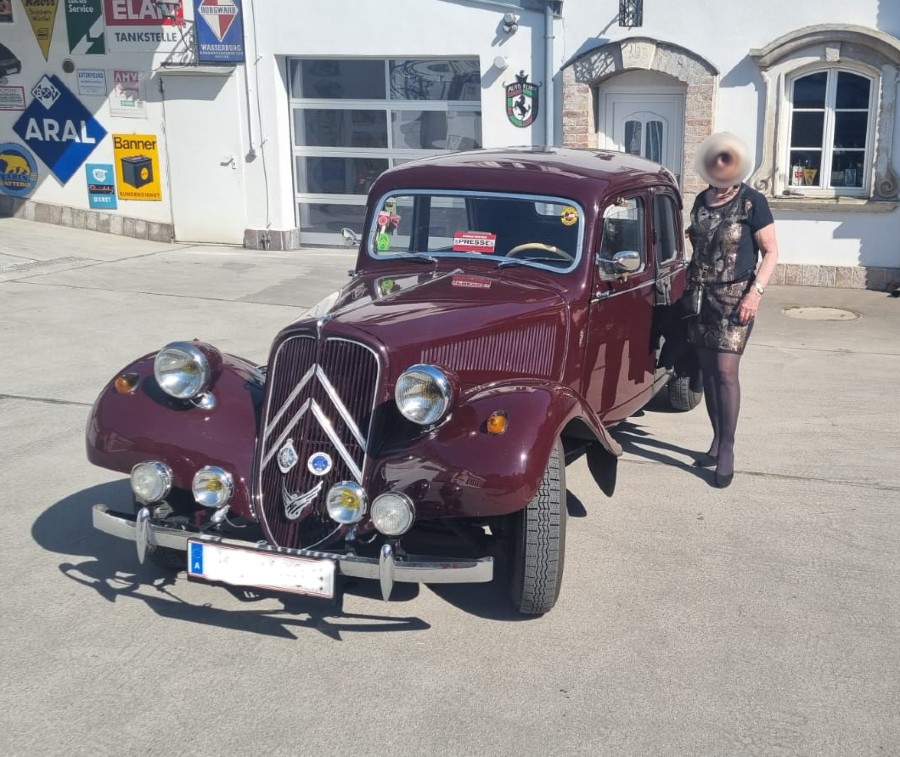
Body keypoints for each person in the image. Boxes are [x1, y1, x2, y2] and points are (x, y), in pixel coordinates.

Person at [686, 132, 779, 488]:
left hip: (736, 298)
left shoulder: (752, 202)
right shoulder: (701, 200)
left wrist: (755, 293)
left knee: (726, 371)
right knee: (709, 373)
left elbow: (771, 252)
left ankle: (727, 447)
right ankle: (715, 439)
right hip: (701, 297)